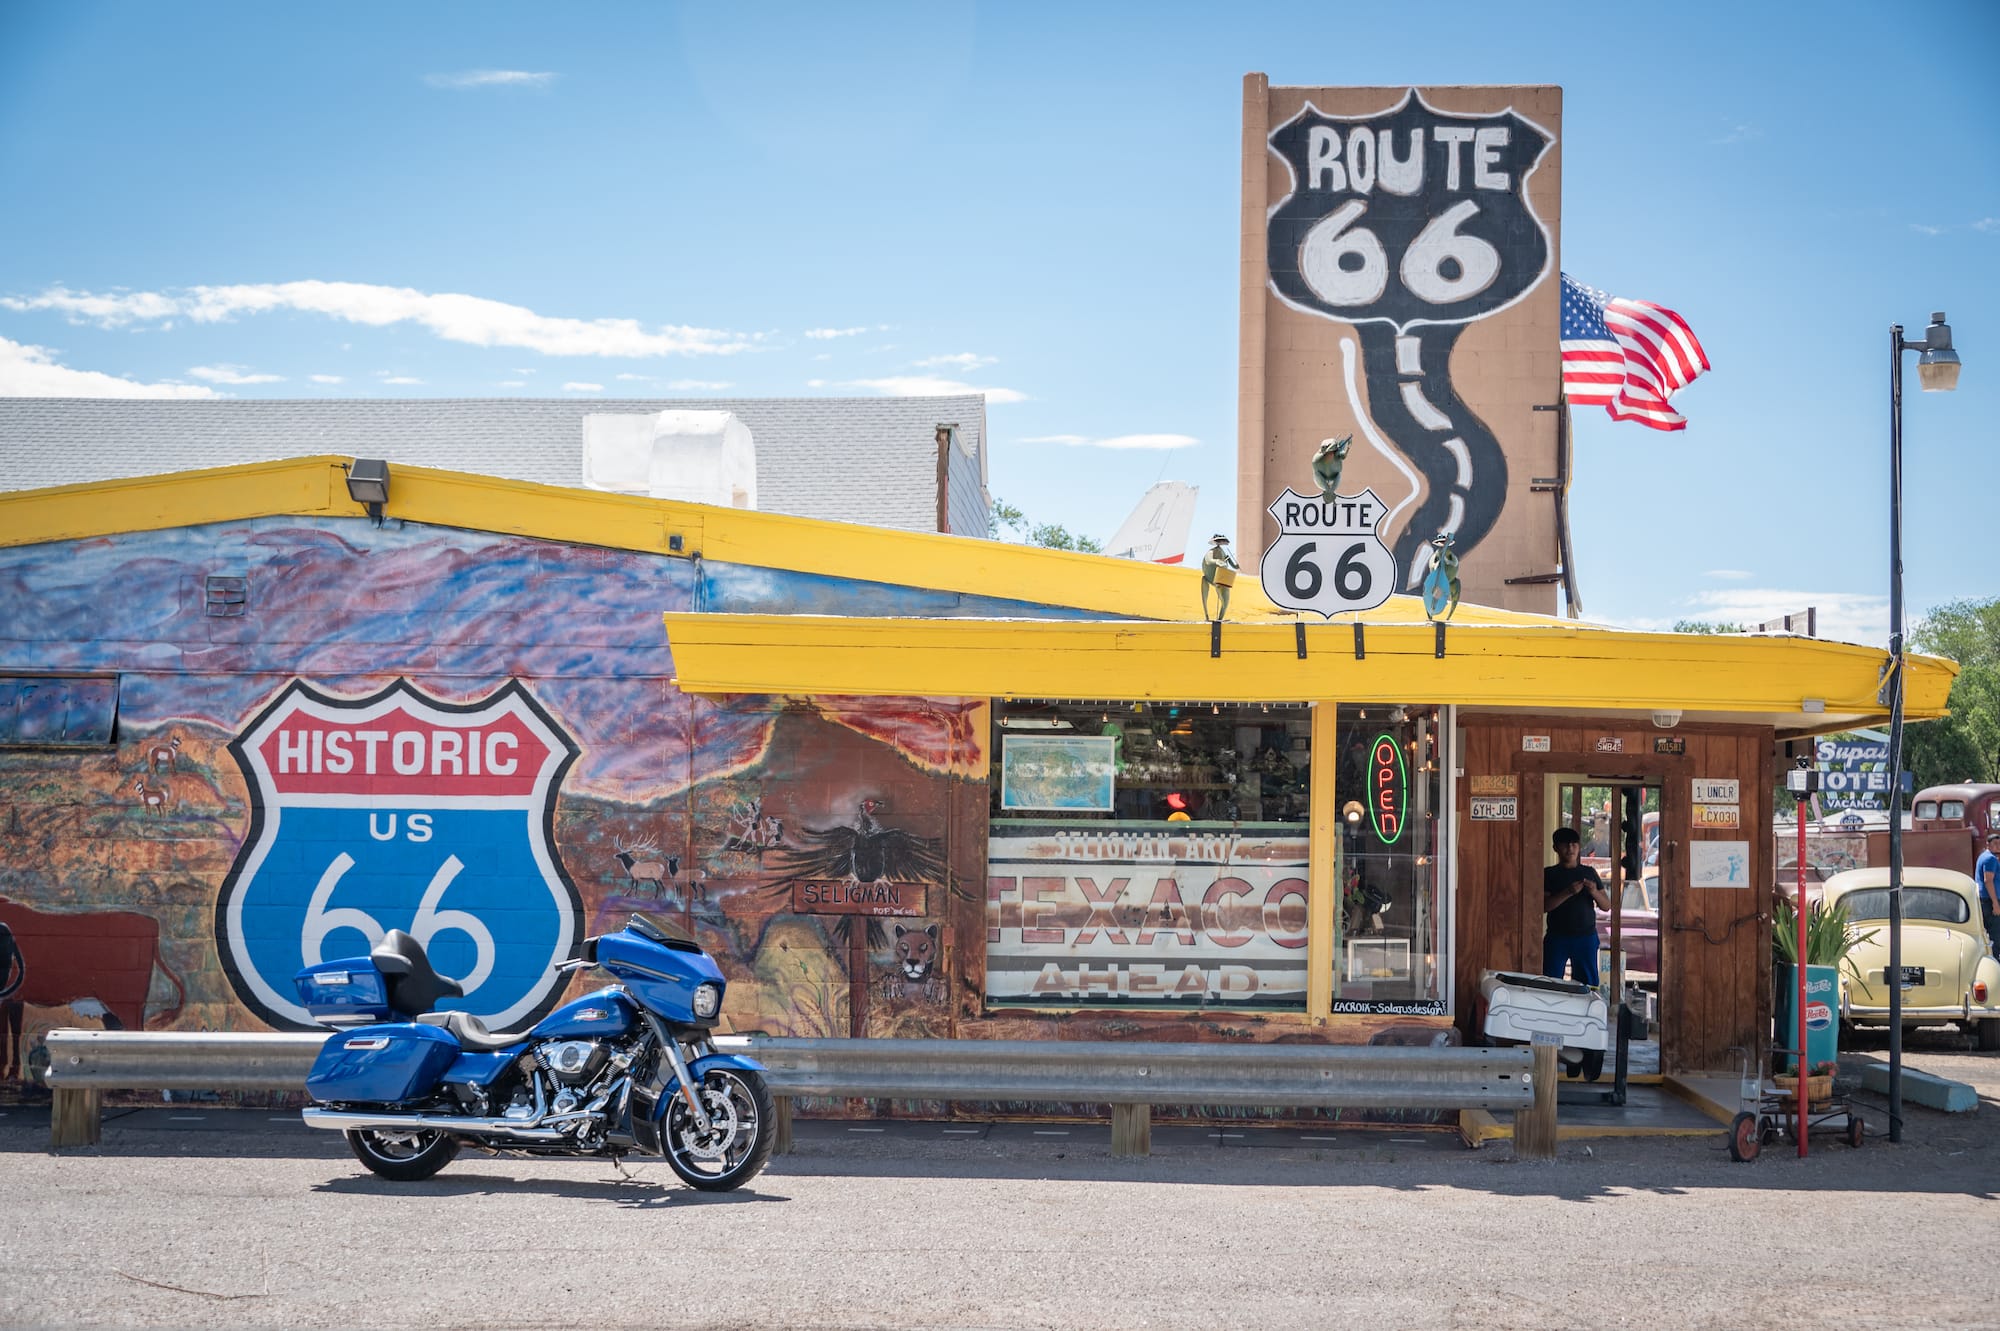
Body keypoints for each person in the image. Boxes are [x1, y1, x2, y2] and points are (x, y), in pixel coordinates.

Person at [1543, 827, 1611, 986]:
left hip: (1586, 936)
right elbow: (1544, 906)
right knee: (1549, 983)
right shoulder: (1549, 874)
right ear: (1555, 848)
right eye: (1565, 845)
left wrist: (1594, 891)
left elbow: (1606, 906)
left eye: (1574, 844)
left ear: (1579, 847)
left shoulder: (1589, 872)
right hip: (1556, 936)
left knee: (1587, 985)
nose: (1570, 848)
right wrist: (1568, 892)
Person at [1977, 830, 2000, 961]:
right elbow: (1988, 880)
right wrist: (1995, 903)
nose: (1998, 846)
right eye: (1995, 844)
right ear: (1988, 844)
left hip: (1985, 900)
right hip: (1989, 901)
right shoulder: (1990, 858)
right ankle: (1996, 962)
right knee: (1995, 934)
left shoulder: (1984, 856)